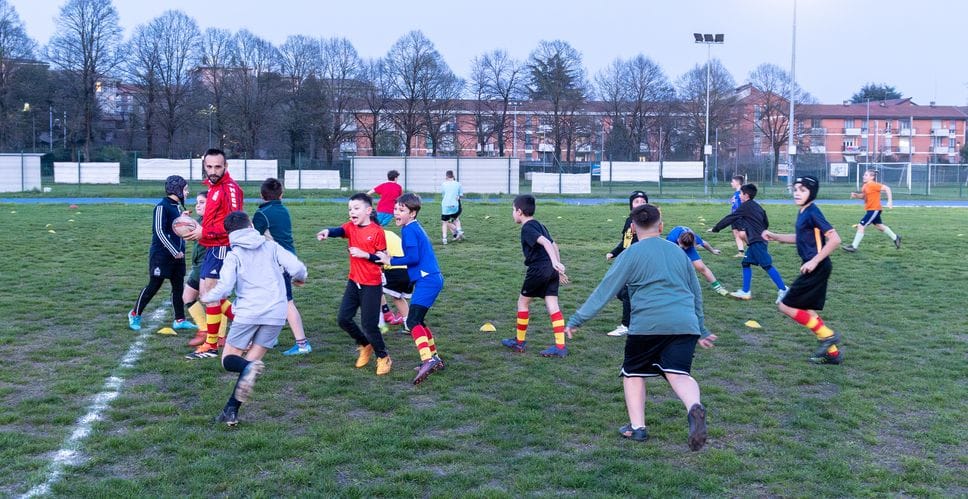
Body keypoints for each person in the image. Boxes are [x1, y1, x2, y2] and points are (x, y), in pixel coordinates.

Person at [564, 204, 716, 451]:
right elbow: (696, 292)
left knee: (633, 373)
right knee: (678, 374)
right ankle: (694, 408)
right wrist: (702, 328)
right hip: (684, 323)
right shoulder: (679, 253)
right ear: (662, 226)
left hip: (648, 325)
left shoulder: (631, 254)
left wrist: (578, 319)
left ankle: (638, 429)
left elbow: (606, 289)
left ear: (633, 228)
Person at [205, 211, 308, 426]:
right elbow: (297, 268)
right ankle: (230, 412)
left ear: (230, 234)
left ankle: (237, 394)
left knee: (229, 360)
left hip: (248, 313)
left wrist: (208, 297)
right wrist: (300, 278)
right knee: (249, 365)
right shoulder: (271, 246)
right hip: (276, 314)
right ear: (251, 225)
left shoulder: (234, 255)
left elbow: (224, 287)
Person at [763, 175, 845, 365]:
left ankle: (828, 335)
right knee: (808, 310)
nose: (797, 193)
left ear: (812, 193)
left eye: (803, 190)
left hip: (817, 267)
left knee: (785, 305)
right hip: (814, 266)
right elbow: (801, 237)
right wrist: (776, 236)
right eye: (796, 189)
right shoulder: (803, 211)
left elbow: (835, 239)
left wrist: (814, 261)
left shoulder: (813, 212)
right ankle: (833, 354)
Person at [317, 193, 392, 375]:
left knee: (369, 325)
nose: (352, 212)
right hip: (354, 282)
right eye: (350, 209)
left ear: (368, 210)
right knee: (343, 319)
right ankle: (365, 345)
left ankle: (383, 357)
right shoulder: (351, 227)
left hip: (371, 284)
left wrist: (365, 255)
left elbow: (384, 260)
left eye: (356, 208)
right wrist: (328, 231)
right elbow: (340, 231)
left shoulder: (377, 232)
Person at [378, 193, 446, 384]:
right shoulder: (412, 227)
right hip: (430, 279)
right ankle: (435, 359)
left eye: (402, 210)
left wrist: (390, 260)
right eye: (396, 209)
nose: (396, 213)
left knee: (413, 321)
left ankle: (428, 360)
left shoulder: (409, 230)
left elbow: (413, 258)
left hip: (428, 280)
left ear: (413, 213)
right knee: (419, 320)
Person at [183, 149, 243, 360]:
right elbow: (213, 219)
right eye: (209, 167)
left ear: (225, 166)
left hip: (222, 247)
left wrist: (204, 232)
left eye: (218, 167)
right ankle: (248, 329)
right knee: (214, 296)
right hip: (212, 246)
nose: (213, 171)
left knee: (210, 295)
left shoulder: (230, 189)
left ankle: (211, 344)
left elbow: (234, 223)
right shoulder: (213, 187)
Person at [501, 194, 570, 358]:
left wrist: (554, 263)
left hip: (539, 269)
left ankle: (519, 342)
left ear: (519, 211)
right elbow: (554, 244)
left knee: (523, 302)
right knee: (553, 305)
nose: (512, 213)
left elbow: (546, 243)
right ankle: (560, 346)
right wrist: (558, 269)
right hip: (551, 270)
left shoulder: (527, 227)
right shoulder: (540, 224)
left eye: (512, 210)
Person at [127, 175, 195, 332]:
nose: (187, 193)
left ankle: (179, 319)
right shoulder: (161, 207)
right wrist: (173, 250)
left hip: (179, 255)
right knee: (154, 285)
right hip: (161, 255)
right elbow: (159, 231)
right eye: (185, 189)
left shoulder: (177, 207)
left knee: (178, 287)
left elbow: (175, 228)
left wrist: (183, 220)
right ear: (176, 190)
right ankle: (134, 313)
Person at [253, 178, 311, 356]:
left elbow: (253, 238)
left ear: (262, 195)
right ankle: (270, 337)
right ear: (282, 195)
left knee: (286, 303)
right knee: (269, 301)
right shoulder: (283, 210)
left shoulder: (261, 214)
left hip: (278, 264)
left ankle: (302, 344)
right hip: (288, 260)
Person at [710, 183, 787, 302]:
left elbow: (731, 217)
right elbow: (766, 222)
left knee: (767, 265)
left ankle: (783, 290)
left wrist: (716, 228)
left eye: (741, 193)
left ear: (746, 195)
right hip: (757, 240)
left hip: (757, 241)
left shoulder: (745, 206)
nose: (739, 196)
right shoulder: (757, 206)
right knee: (746, 263)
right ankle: (746, 292)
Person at [604, 190, 650, 337]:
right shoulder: (630, 220)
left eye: (643, 202)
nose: (640, 204)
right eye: (637, 201)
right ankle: (641, 316)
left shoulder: (646, 221)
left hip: (639, 261)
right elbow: (626, 241)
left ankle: (626, 325)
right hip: (628, 261)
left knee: (628, 292)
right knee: (621, 292)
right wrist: (614, 252)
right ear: (631, 205)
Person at [843, 169, 901, 252]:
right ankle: (896, 238)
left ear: (872, 177)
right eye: (864, 175)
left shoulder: (873, 185)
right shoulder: (865, 186)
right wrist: (856, 195)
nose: (864, 176)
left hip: (874, 209)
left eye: (866, 175)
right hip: (871, 209)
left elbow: (887, 188)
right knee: (879, 226)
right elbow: (863, 196)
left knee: (861, 226)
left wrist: (890, 201)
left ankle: (853, 247)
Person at [666, 226, 729, 296]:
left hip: (686, 244)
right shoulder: (671, 239)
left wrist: (713, 251)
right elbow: (666, 253)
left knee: (701, 268)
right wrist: (680, 247)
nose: (685, 248)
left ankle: (719, 288)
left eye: (687, 247)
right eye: (684, 247)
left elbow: (704, 243)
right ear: (678, 240)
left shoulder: (693, 238)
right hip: (675, 246)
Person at [379, 227, 410, 332]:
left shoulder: (376, 235)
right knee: (399, 297)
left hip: (394, 269)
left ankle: (382, 319)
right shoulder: (389, 233)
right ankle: (408, 322)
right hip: (408, 269)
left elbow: (379, 256)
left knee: (374, 289)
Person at [440, 170, 464, 244]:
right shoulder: (458, 184)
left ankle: (444, 239)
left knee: (444, 222)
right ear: (453, 176)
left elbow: (443, 195)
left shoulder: (443, 184)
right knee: (456, 219)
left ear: (446, 176)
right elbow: (461, 195)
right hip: (455, 206)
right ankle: (458, 231)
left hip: (446, 206)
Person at [729, 175, 748, 257]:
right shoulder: (736, 192)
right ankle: (741, 252)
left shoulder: (742, 192)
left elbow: (746, 203)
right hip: (734, 217)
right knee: (736, 234)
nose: (731, 183)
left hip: (740, 217)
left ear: (737, 182)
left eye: (732, 182)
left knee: (742, 234)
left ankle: (755, 246)